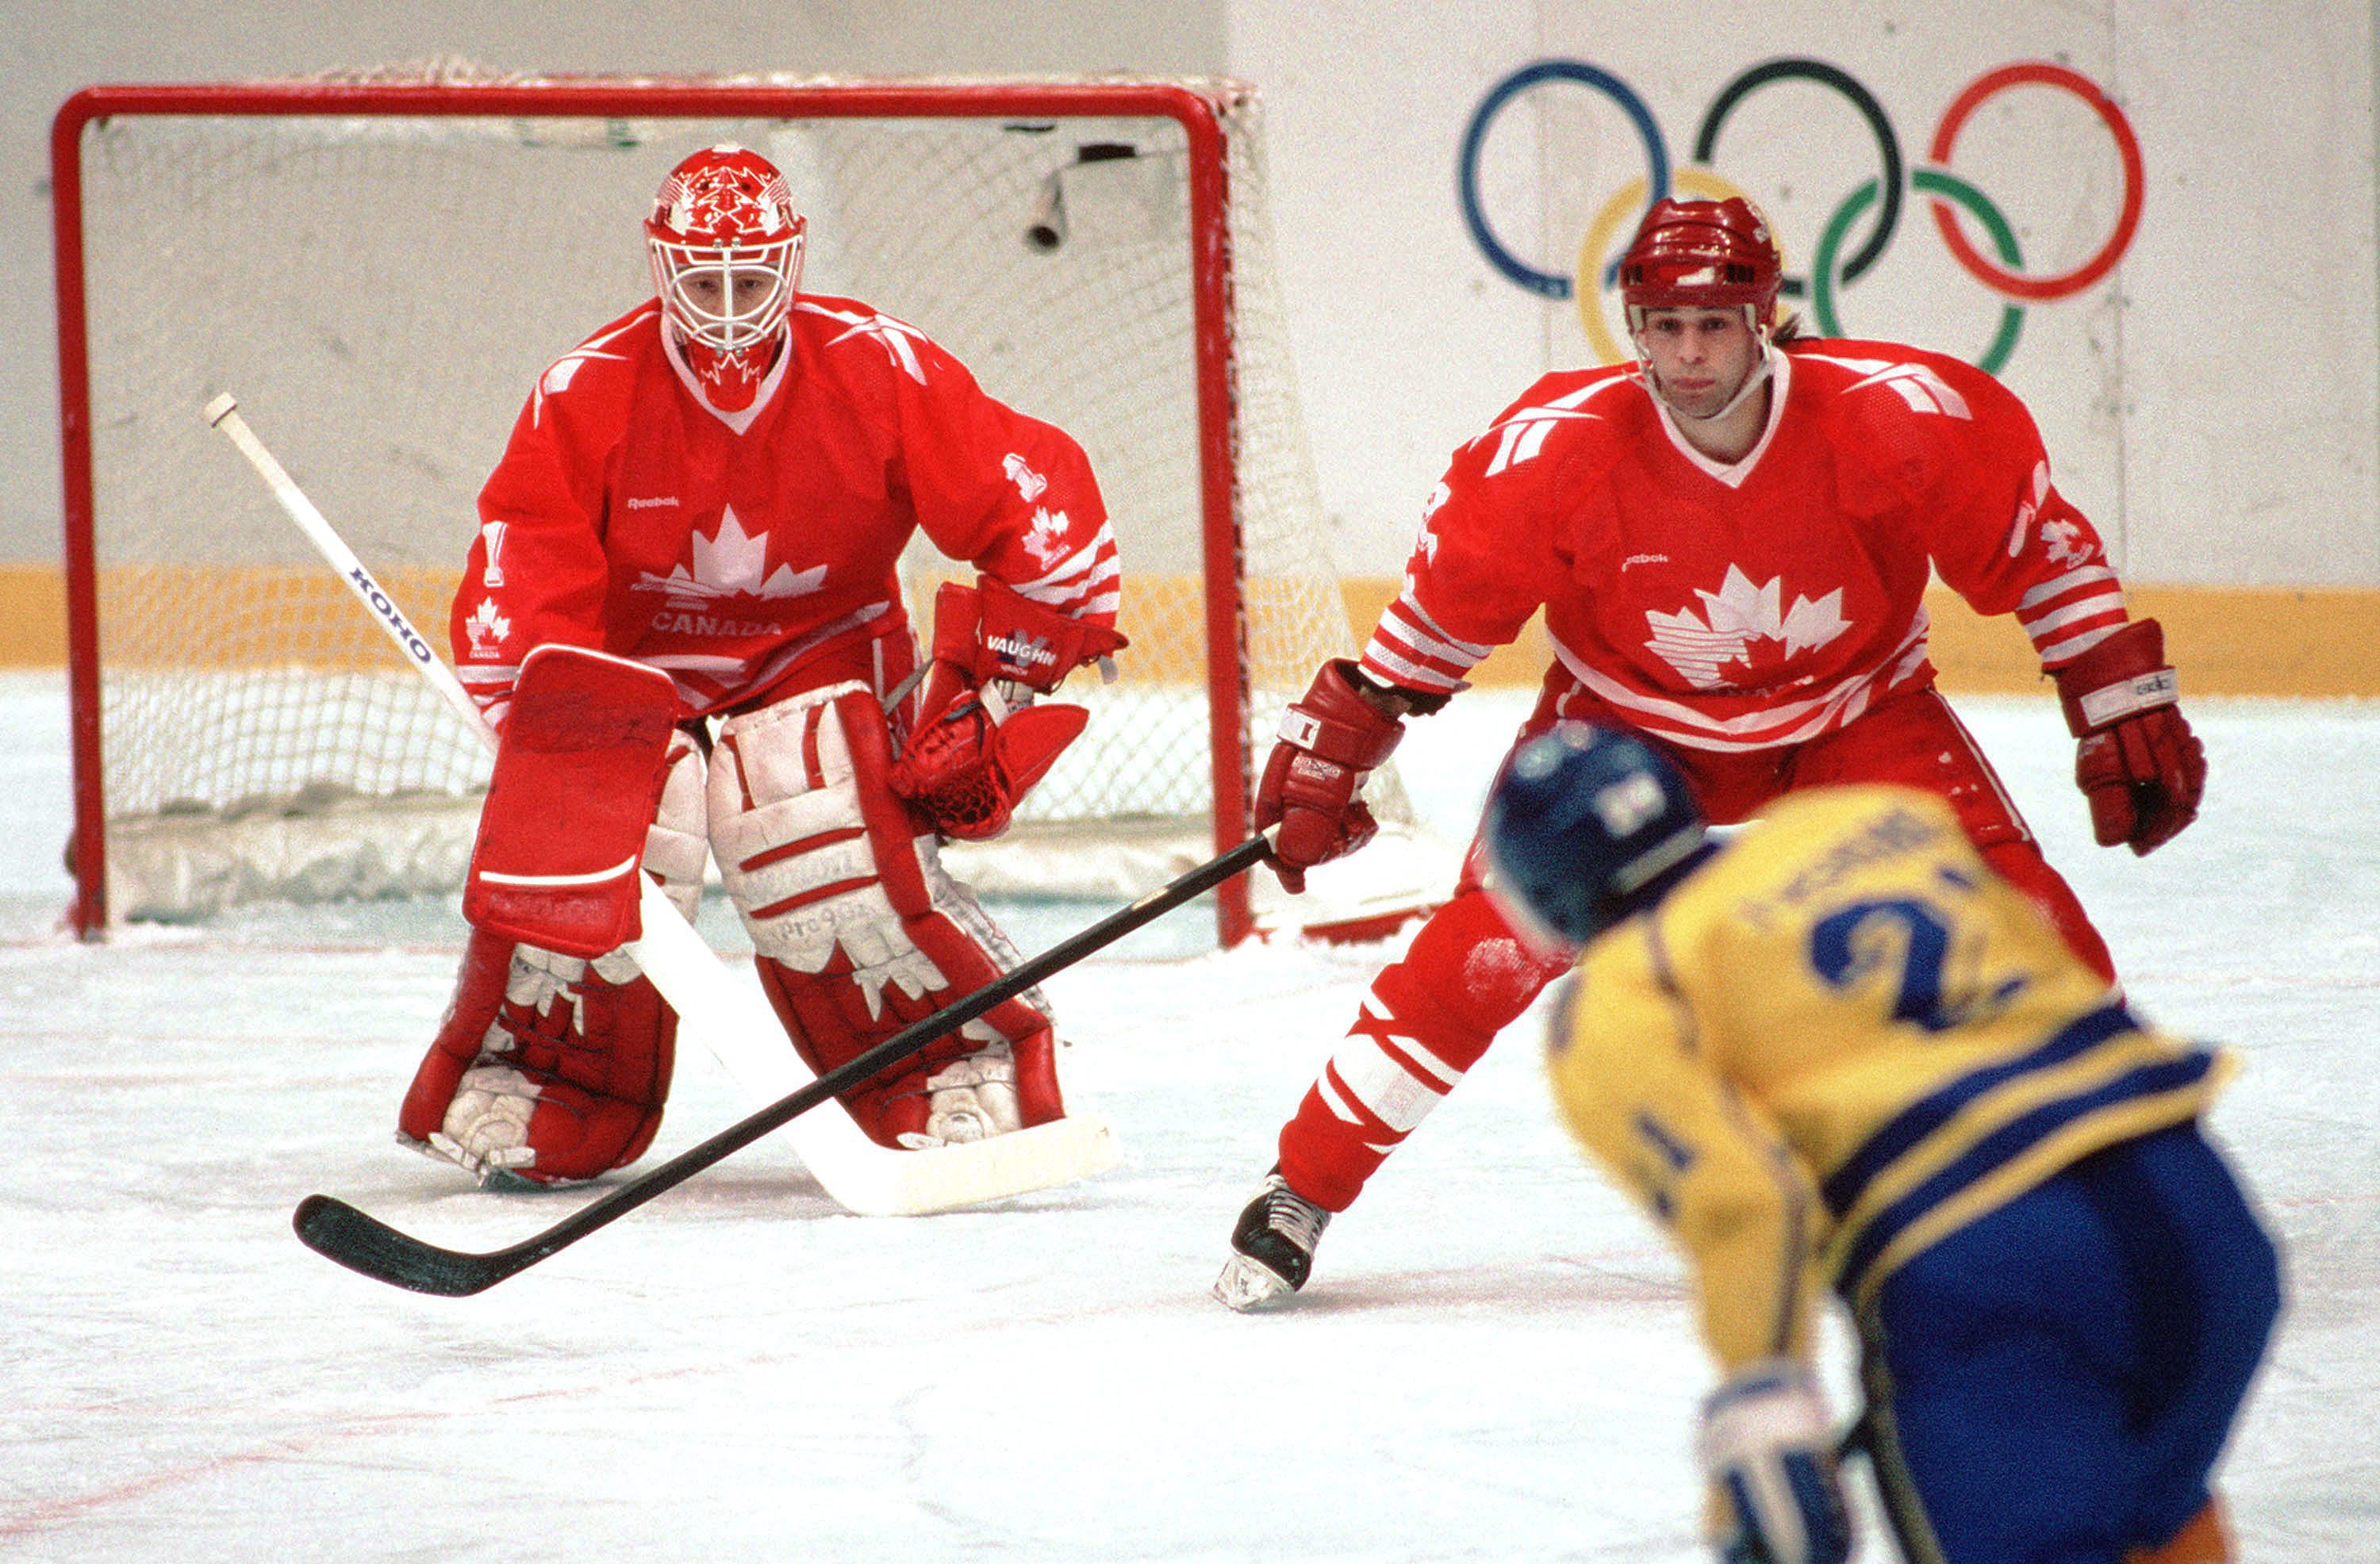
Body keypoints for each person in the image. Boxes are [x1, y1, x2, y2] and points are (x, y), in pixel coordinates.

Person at [1212, 195, 2207, 1309]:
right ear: (1634, 325)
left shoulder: (1900, 413)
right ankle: (1303, 1183)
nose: (1689, 354)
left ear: (1767, 318)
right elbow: (1434, 629)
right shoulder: (1553, 449)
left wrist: (2121, 695)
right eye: (1665, 324)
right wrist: (1338, 744)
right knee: (1479, 957)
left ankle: (2129, 1184)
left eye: (1716, 324)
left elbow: (2043, 555)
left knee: (2025, 927)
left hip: (1854, 712)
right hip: (1629, 736)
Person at [399, 142, 1124, 1187]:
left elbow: (1036, 507)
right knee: (617, 839)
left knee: (809, 815)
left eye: (751, 279)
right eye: (705, 280)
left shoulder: (877, 365)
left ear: (790, 263)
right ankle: (549, 1080)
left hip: (826, 677)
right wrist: (547, 733)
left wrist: (991, 699)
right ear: (662, 269)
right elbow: (528, 566)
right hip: (640, 694)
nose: (729, 305)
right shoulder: (587, 390)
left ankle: (953, 1065)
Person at [1478, 722, 2278, 1564]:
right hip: (2198, 1211)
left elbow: (1743, 1202)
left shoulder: (1624, 989)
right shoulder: (1873, 820)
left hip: (1986, 1263)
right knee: (2155, 1507)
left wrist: (1764, 1406)